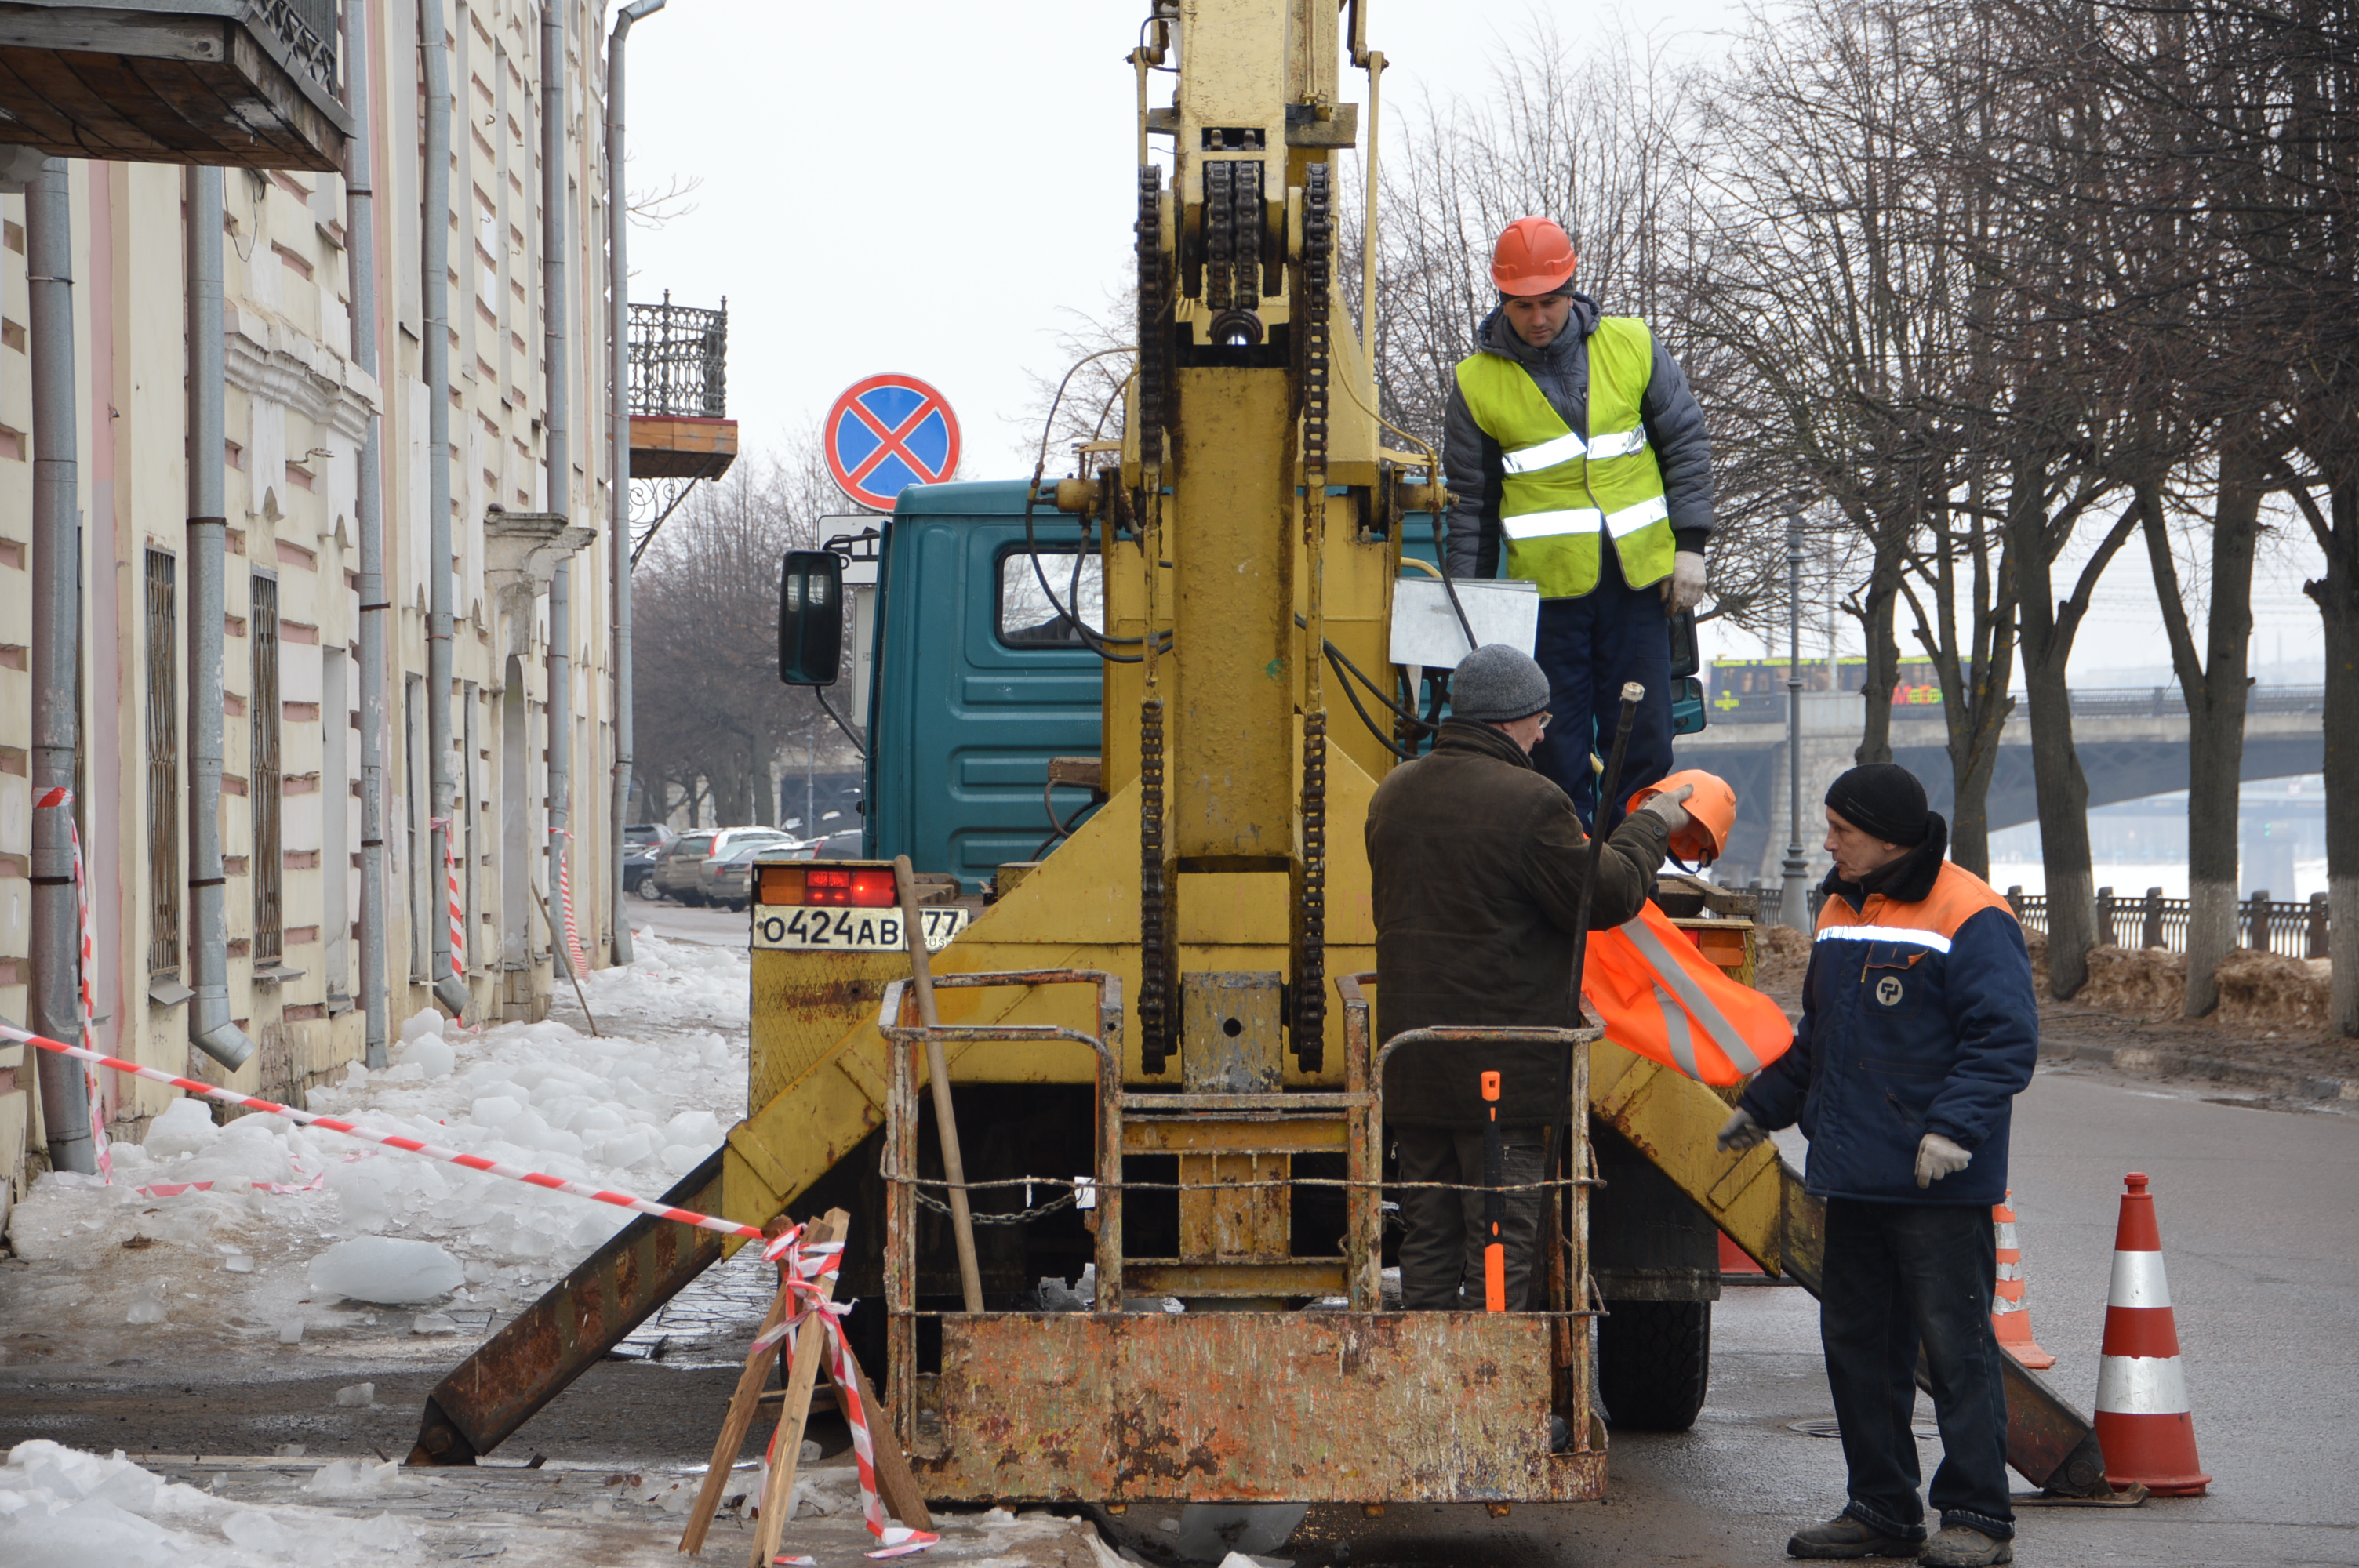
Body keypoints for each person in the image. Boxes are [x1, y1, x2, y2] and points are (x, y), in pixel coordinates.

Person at [1717, 764, 2038, 1568]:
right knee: (1859, 1349)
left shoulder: (1970, 912)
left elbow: (2002, 1039)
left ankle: (1977, 1516)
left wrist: (1952, 1129)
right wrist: (1761, 1106)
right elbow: (1819, 1039)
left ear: (1888, 839)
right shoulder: (1839, 909)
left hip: (1936, 1185)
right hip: (1854, 1176)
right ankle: (1881, 1508)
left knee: (1957, 1351)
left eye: (1841, 831)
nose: (1827, 844)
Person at [1365, 642, 1693, 1312]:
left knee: (1428, 1238)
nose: (1544, 736)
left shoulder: (1394, 794)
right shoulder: (1530, 802)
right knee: (1499, 1242)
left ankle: (1424, 1370)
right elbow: (1605, 894)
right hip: (1501, 1077)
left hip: (1414, 1069)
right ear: (1510, 719)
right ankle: (1490, 1372)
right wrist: (1652, 825)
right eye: (1540, 721)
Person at [1442, 216, 1716, 834]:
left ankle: (1632, 866)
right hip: (1547, 601)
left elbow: (1685, 444)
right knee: (1553, 749)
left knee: (1644, 741)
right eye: (1523, 305)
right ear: (1502, 300)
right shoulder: (1475, 384)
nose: (1538, 318)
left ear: (1572, 289)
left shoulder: (1633, 345)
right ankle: (1566, 865)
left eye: (1550, 301)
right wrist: (1471, 609)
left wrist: (1691, 546)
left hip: (1639, 587)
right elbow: (1472, 507)